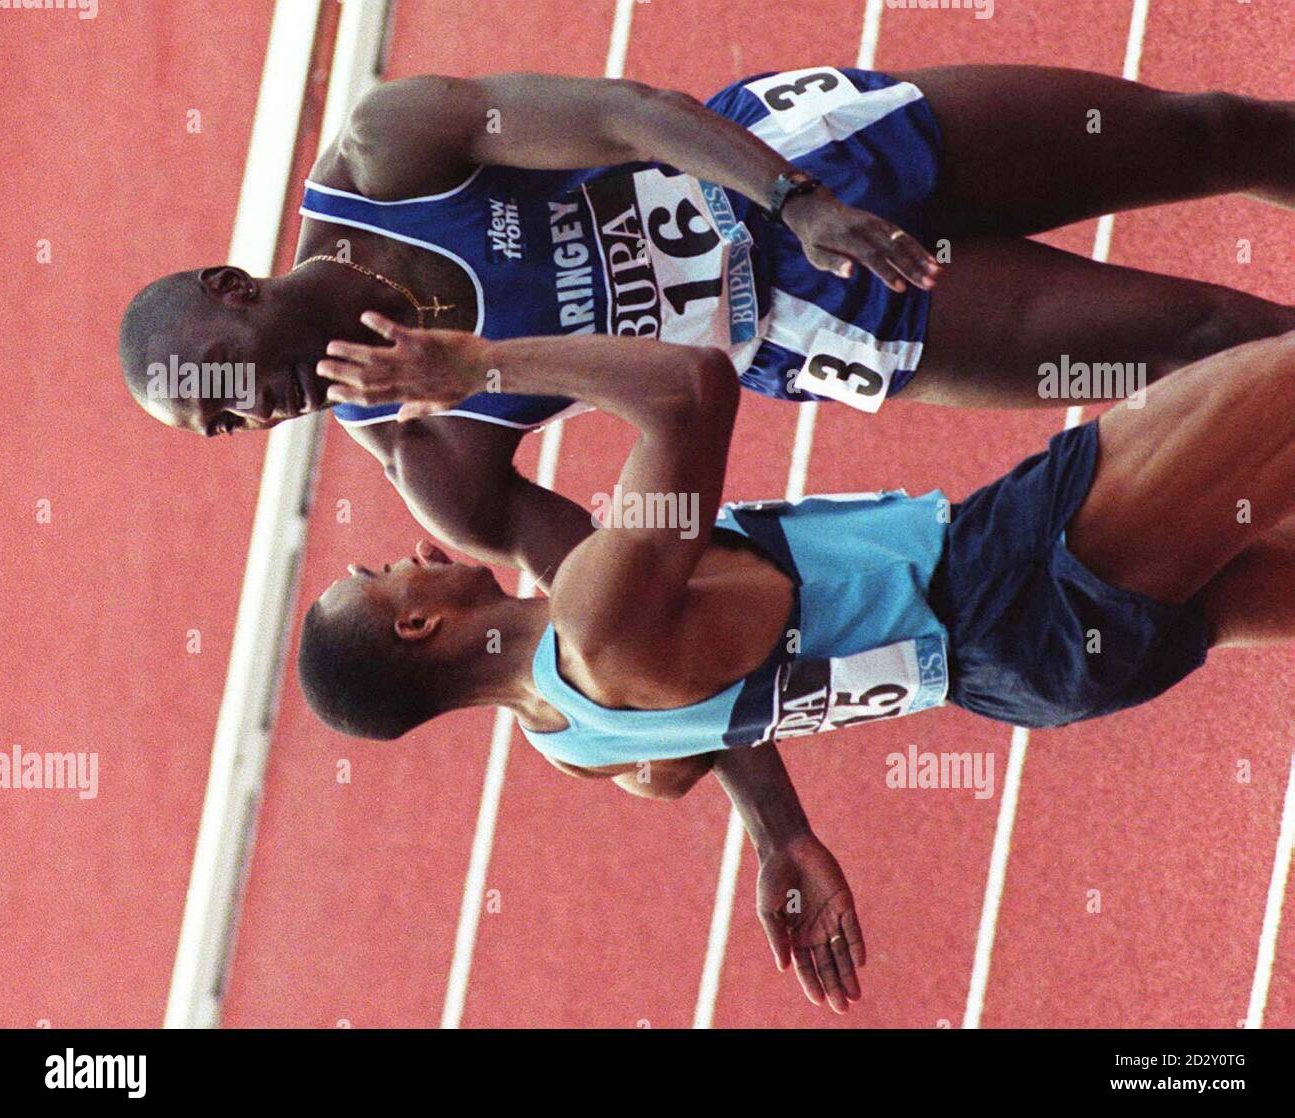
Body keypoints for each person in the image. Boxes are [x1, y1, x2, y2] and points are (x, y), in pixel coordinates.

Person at [296, 313, 1295, 1010]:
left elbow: (712, 722)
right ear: (419, 630)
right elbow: (691, 388)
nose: (416, 551)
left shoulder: (582, 744)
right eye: (393, 575)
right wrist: (477, 365)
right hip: (1013, 571)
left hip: (1019, 673)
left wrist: (780, 831)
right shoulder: (598, 617)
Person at [121, 66, 1294, 589]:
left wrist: (805, 203)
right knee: (1218, 350)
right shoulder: (437, 461)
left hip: (803, 160)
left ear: (232, 286)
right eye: (221, 425)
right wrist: (769, 821)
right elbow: (632, 623)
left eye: (219, 381)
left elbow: (632, 115)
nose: (252, 411)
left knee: (1204, 129)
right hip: (813, 315)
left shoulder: (388, 153)